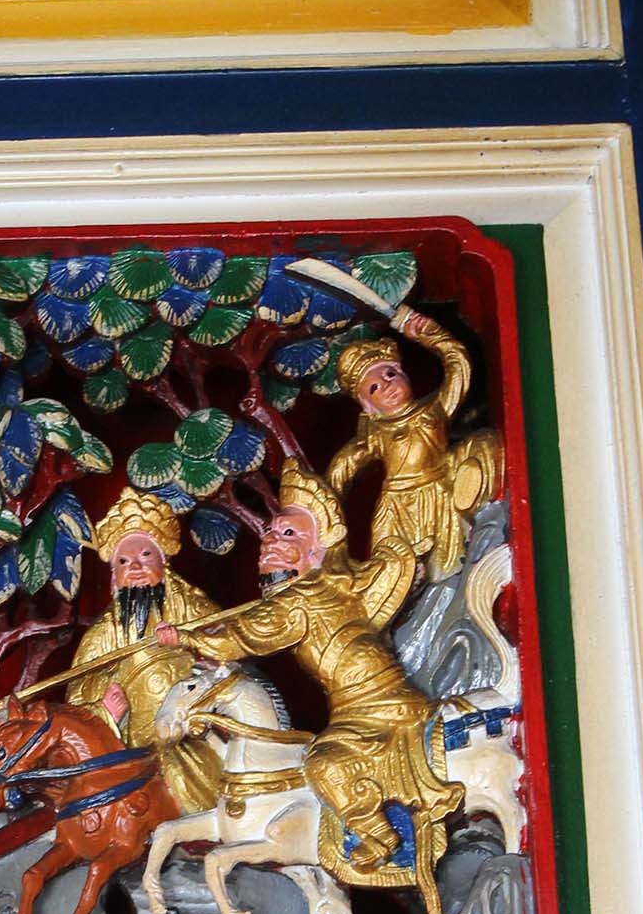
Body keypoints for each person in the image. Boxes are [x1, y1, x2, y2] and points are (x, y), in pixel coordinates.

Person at [158, 462, 445, 873]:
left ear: (316, 552)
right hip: (362, 703)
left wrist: (185, 638)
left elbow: (247, 636)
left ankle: (378, 837)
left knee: (322, 764)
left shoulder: (302, 597)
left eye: (289, 534)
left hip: (371, 704)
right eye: (271, 533)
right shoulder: (320, 590)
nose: (271, 540)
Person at [67, 488, 224, 815]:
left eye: (145, 557)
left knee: (189, 767)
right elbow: (77, 698)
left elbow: (229, 647)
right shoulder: (104, 633)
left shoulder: (193, 608)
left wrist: (189, 643)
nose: (135, 568)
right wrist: (105, 710)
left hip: (196, 730)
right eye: (124, 562)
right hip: (136, 745)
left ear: (164, 561)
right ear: (114, 576)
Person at [327, 310, 501, 594]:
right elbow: (341, 468)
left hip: (442, 490)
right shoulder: (375, 435)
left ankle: (471, 505)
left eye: (390, 374)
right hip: (397, 509)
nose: (387, 385)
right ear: (367, 406)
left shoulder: (434, 411)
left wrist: (429, 333)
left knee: (485, 442)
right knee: (397, 578)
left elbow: (458, 364)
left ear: (404, 373)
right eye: (374, 387)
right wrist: (324, 522)